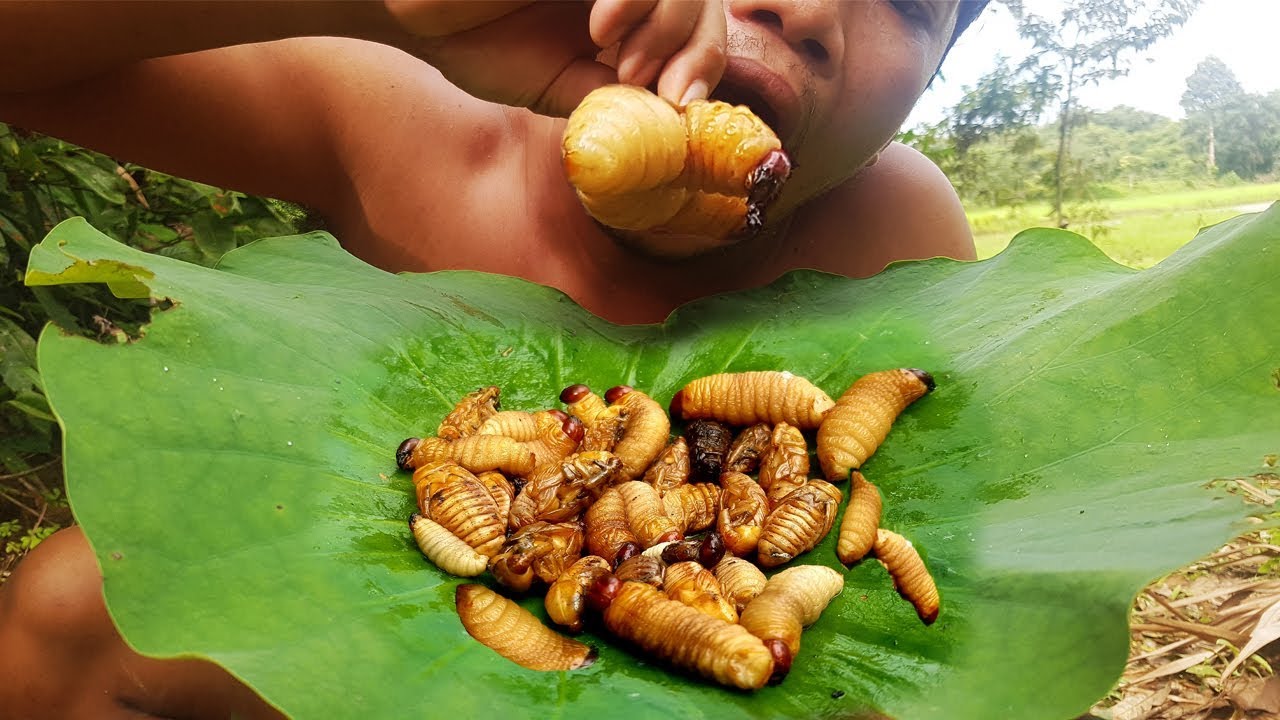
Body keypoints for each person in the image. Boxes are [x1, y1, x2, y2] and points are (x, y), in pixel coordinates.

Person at [0, 1, 989, 717]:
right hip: (387, 645)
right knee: (69, 613)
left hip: (704, 669)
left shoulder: (892, 233)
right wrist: (377, 9)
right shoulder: (407, 112)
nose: (806, 9)